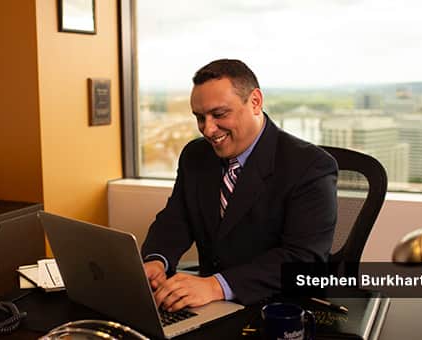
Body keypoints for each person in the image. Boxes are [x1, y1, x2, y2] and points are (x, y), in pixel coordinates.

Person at [141, 59, 338, 311]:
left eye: (219, 114)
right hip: (209, 305)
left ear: (255, 102)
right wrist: (156, 261)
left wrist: (215, 286)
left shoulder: (310, 166)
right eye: (200, 117)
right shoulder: (195, 155)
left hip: (281, 307)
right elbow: (176, 219)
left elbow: (303, 259)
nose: (208, 129)